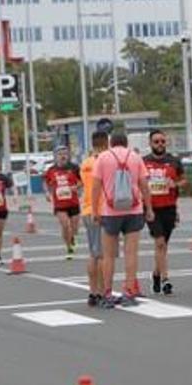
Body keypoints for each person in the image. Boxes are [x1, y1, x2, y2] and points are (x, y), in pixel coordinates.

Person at [92, 131, 152, 305]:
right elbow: (144, 185)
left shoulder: (103, 158)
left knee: (108, 255)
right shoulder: (135, 157)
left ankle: (108, 293)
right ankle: (129, 291)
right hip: (134, 209)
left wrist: (96, 211)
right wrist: (149, 208)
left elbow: (96, 186)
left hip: (110, 211)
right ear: (126, 143)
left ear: (111, 143)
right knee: (131, 253)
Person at [143, 130, 185, 295]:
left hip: (169, 207)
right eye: (156, 142)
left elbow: (184, 180)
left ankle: (156, 273)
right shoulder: (144, 162)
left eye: (162, 141)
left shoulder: (173, 161)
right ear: (151, 144)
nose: (160, 144)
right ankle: (166, 279)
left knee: (163, 245)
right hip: (151, 208)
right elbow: (137, 182)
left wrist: (175, 184)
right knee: (159, 242)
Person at [80, 130, 112, 307]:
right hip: (101, 210)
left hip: (86, 209)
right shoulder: (104, 162)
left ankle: (92, 292)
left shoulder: (85, 163)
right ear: (106, 143)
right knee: (102, 254)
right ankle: (101, 291)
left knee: (93, 253)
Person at [44, 147, 82, 259]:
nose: (63, 156)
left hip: (73, 202)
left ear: (68, 155)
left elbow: (83, 181)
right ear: (55, 156)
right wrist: (46, 192)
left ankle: (72, 239)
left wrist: (77, 187)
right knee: (65, 225)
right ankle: (69, 247)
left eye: (65, 153)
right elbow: (45, 182)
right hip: (60, 204)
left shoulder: (74, 168)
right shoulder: (51, 170)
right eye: (60, 154)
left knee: (74, 228)